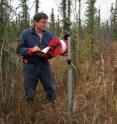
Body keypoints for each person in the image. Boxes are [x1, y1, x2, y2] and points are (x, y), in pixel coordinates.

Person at [16, 12, 57, 103]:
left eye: (46, 22)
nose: (45, 24)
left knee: (51, 89)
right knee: (30, 92)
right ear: (36, 22)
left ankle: (52, 110)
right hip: (30, 66)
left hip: (44, 65)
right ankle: (30, 112)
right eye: (43, 22)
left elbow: (53, 50)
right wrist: (31, 50)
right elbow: (19, 49)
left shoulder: (49, 35)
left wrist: (51, 53)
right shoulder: (26, 34)